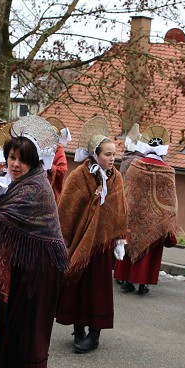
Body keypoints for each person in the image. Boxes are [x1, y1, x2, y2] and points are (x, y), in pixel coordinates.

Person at [0, 121, 69, 368]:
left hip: (42, 266)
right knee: (19, 320)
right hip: (29, 262)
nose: (15, 164)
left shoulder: (34, 187)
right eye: (11, 157)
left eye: (22, 159)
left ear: (34, 162)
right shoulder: (22, 181)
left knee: (34, 323)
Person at [56, 116, 127, 354]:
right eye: (107, 154)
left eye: (114, 155)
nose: (111, 159)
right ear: (95, 153)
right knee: (77, 284)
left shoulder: (115, 177)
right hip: (80, 241)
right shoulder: (78, 176)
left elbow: (119, 209)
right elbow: (66, 210)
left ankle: (95, 333)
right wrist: (64, 241)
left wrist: (119, 238)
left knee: (98, 288)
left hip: (102, 244)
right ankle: (78, 329)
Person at [115, 124, 179, 295]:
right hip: (154, 220)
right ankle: (143, 283)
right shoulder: (168, 171)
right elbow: (171, 201)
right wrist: (168, 221)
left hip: (133, 218)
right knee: (149, 252)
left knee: (130, 244)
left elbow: (126, 192)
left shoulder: (135, 165)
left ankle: (127, 280)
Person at [43, 116, 70, 200]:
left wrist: (49, 166)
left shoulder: (58, 150)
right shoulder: (40, 147)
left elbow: (62, 170)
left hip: (50, 188)